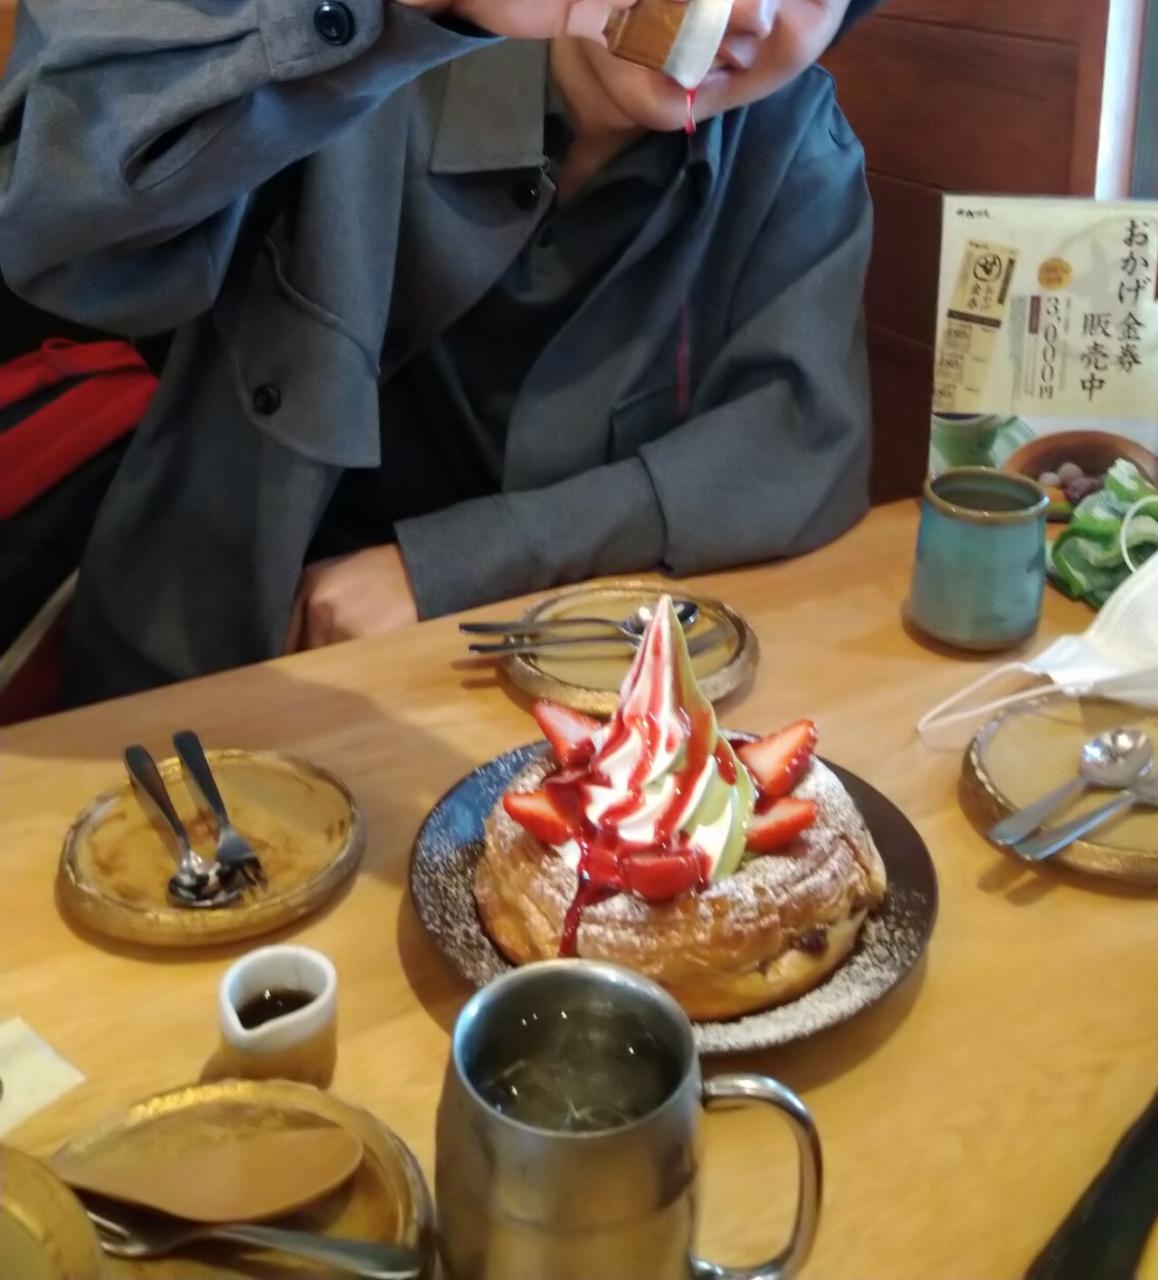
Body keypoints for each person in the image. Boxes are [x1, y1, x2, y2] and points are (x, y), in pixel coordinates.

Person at [0, 0, 880, 704]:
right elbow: (44, 213)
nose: (751, 14)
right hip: (207, 683)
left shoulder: (792, 143)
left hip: (536, 711)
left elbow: (801, 446)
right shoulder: (364, 52)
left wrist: (449, 568)